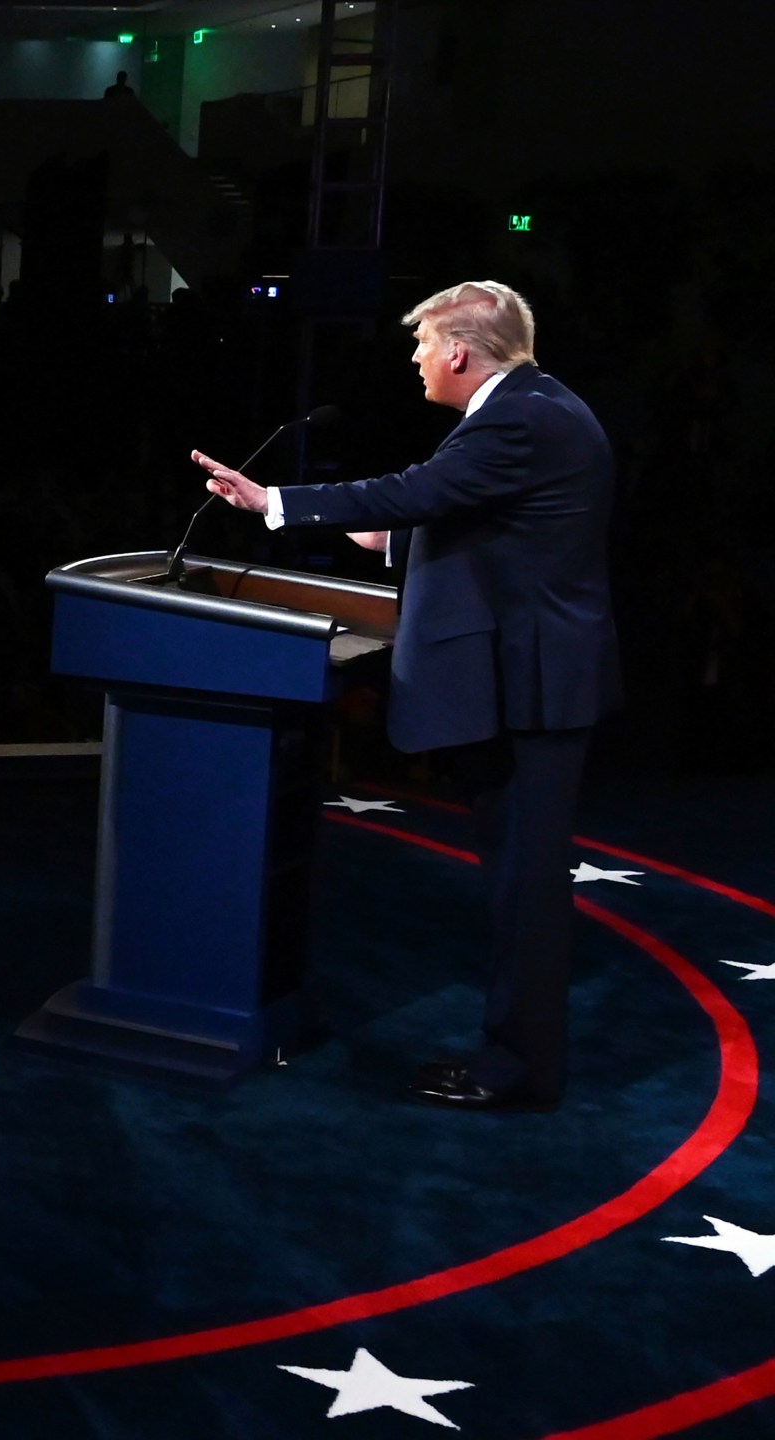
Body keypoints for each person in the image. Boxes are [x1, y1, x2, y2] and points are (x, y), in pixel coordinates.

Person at [190, 280, 617, 1112]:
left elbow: (418, 488)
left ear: (459, 350)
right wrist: (401, 528)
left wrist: (273, 501)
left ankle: (520, 1070)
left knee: (525, 889)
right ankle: (518, 1057)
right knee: (517, 883)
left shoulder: (518, 416)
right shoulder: (537, 406)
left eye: (423, 346)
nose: (417, 361)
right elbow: (477, 515)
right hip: (533, 681)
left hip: (532, 688)